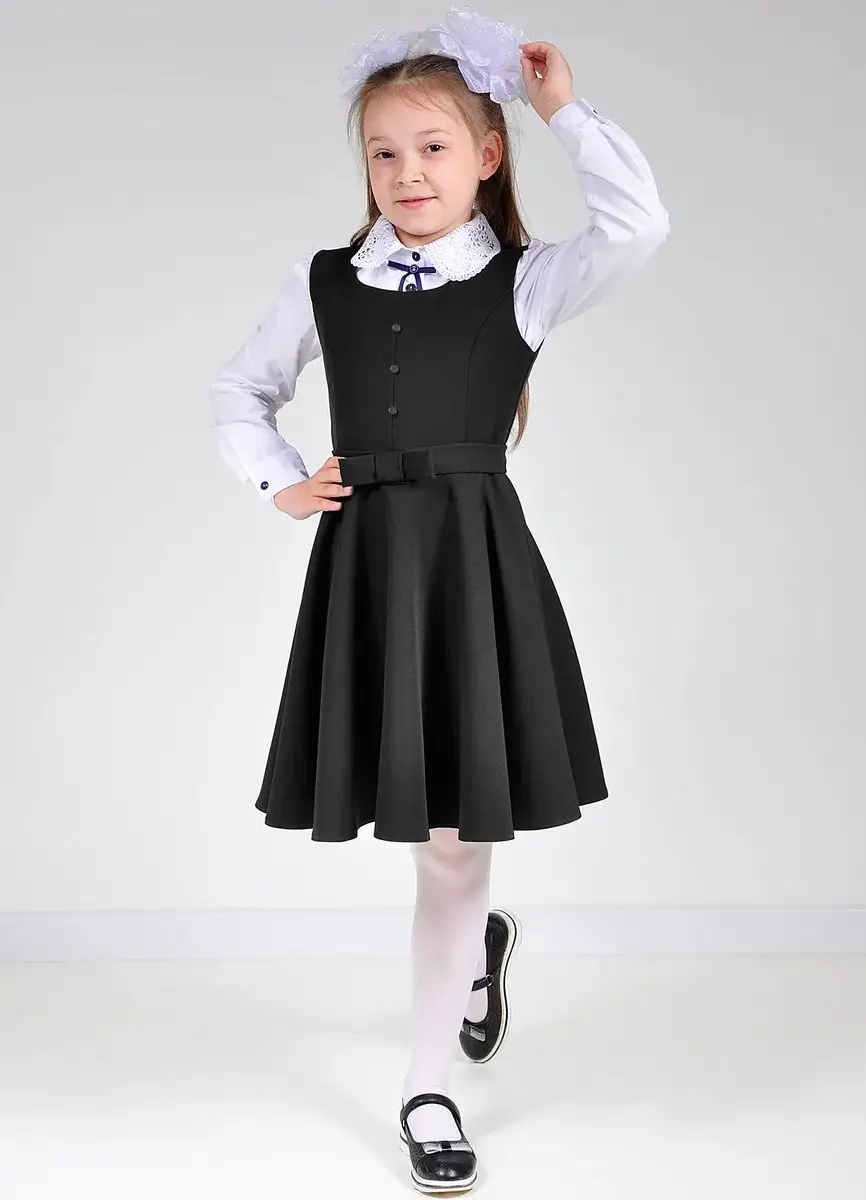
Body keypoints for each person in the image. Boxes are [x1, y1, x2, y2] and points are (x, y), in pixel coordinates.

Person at [208, 6, 669, 1192]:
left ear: (485, 155)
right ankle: (470, 960)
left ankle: (428, 1088)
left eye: (432, 147)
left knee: (453, 850)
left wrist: (561, 107)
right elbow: (239, 390)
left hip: (470, 568)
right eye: (383, 152)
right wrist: (278, 481)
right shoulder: (326, 281)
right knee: (431, 844)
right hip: (368, 569)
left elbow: (638, 223)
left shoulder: (523, 282)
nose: (406, 173)